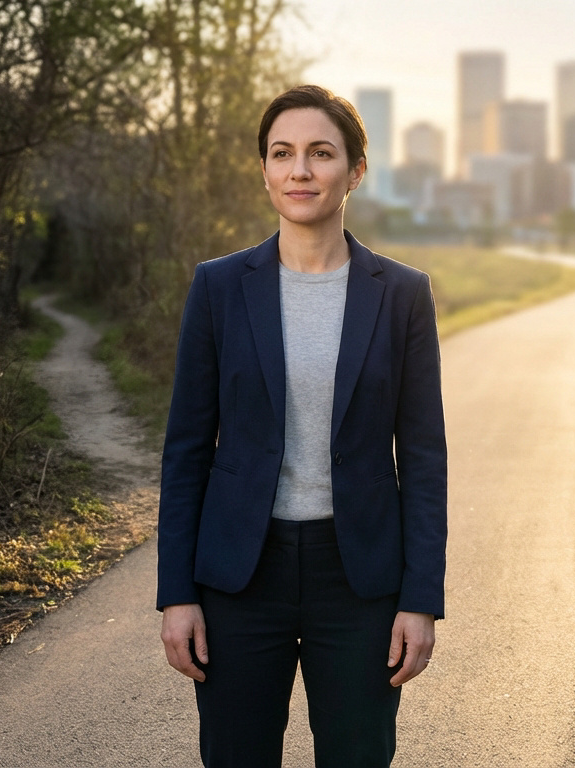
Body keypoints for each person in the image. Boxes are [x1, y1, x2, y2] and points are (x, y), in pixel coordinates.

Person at [155, 84, 447, 768]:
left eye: (321, 153)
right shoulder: (219, 288)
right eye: (282, 153)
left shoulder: (402, 293)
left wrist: (421, 599)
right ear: (263, 169)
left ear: (355, 170)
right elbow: (187, 451)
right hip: (238, 579)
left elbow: (425, 457)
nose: (300, 170)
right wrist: (177, 595)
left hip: (360, 582)